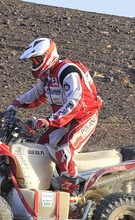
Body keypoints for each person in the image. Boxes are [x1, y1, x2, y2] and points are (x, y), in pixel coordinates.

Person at [7, 37, 102, 193]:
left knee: (65, 152)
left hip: (84, 116)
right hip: (65, 118)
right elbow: (37, 94)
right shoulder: (48, 75)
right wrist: (15, 104)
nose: (34, 64)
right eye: (32, 61)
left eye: (36, 60)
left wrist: (49, 121)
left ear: (48, 55)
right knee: (40, 146)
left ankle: (73, 197)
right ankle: (49, 184)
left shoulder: (67, 71)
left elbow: (75, 103)